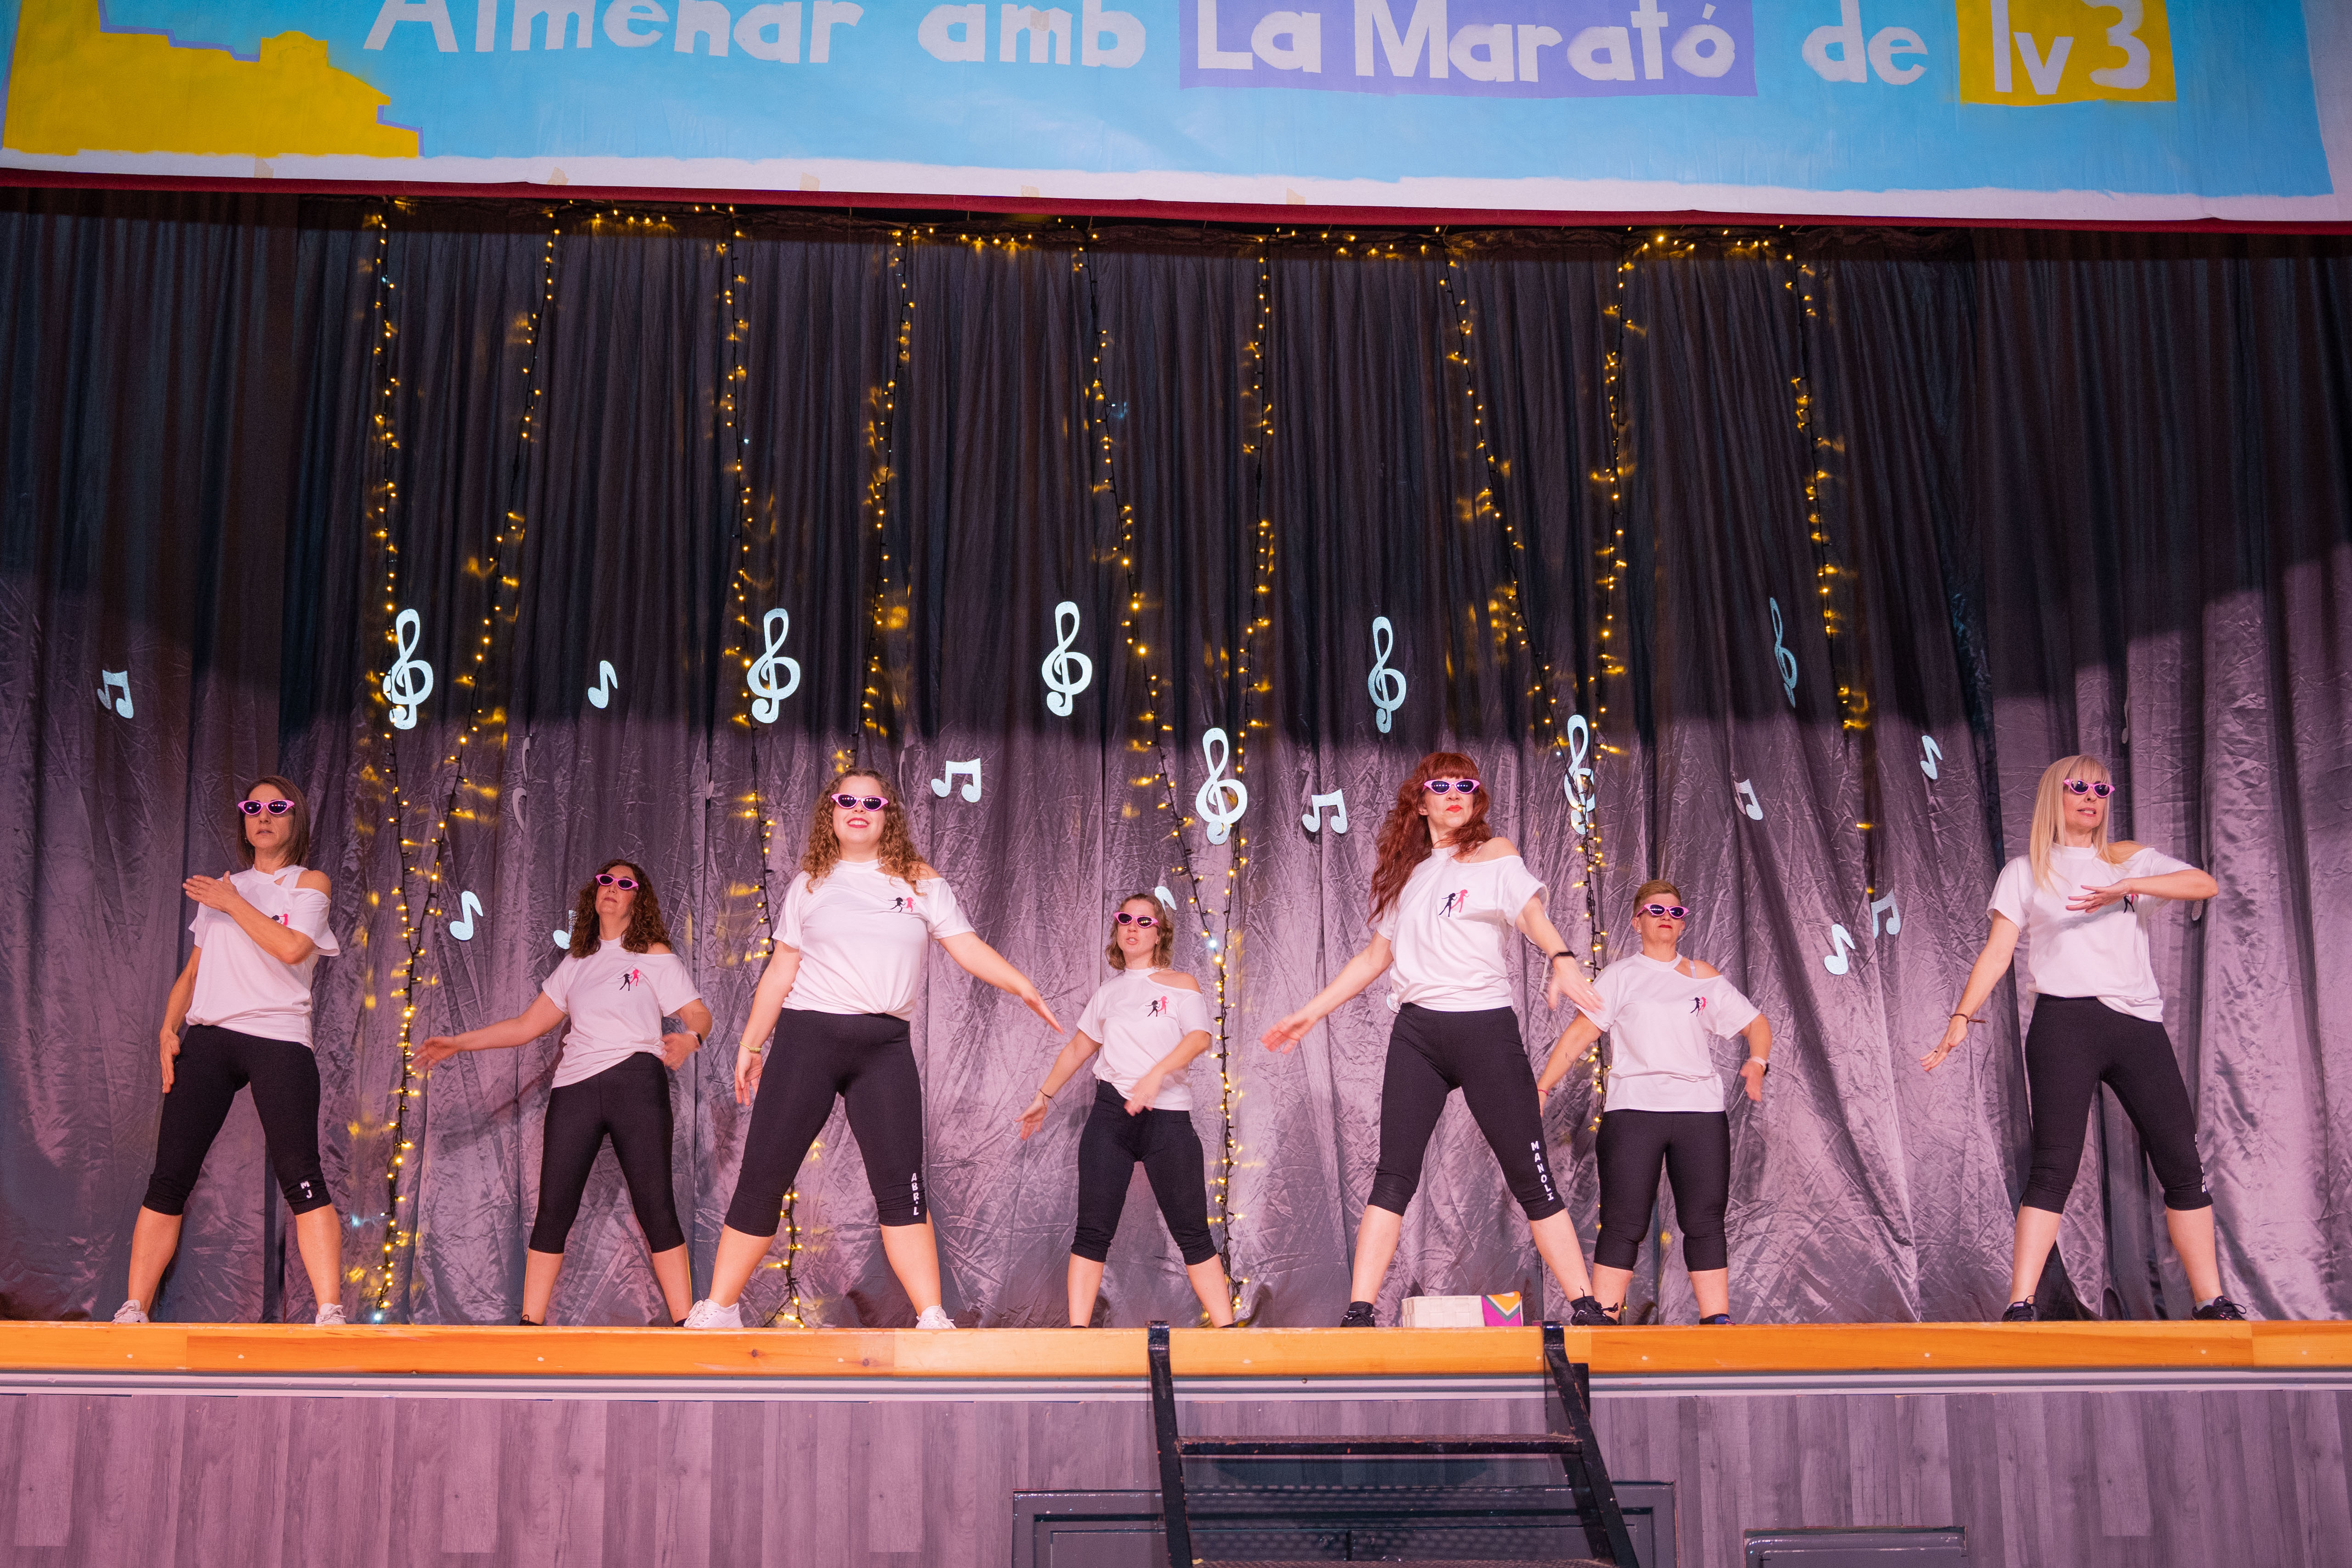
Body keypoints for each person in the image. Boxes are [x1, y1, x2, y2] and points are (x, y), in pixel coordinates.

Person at [686, 769, 1063, 1330]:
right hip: (806, 1041)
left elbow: (966, 946)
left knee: (901, 1186)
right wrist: (750, 1042)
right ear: (831, 812)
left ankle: (932, 1316)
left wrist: (1023, 985)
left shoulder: (920, 882)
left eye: (872, 801)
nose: (858, 808)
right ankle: (719, 1309)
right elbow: (781, 969)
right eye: (847, 799)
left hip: (884, 1049)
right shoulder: (810, 884)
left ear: (888, 814)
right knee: (763, 1175)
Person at [1262, 750, 1612, 1327]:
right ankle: (1359, 1311)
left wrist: (1562, 956)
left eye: (1465, 785)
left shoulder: (1494, 854)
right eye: (1441, 785)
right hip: (1418, 1035)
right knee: (1393, 1174)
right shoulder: (1410, 875)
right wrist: (1309, 1013)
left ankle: (1585, 1305)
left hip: (1484, 1030)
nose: (1454, 793)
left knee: (1531, 1175)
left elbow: (1530, 913)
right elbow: (1374, 958)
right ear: (1420, 802)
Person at [1923, 754, 2245, 1322]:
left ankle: (2210, 1300)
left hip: (2136, 1025)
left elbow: (2204, 884)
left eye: (2101, 788)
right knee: (2054, 1165)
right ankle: (2020, 1302)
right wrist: (1961, 1015)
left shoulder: (2128, 859)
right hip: (2064, 1025)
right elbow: (1998, 952)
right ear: (2056, 794)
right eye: (2079, 786)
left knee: (2181, 1160)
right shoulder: (2026, 870)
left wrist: (2127, 885)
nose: (2091, 796)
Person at [416, 860, 710, 1325]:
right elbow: (526, 1026)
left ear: (638, 899)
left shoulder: (654, 955)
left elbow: (698, 1013)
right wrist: (458, 1043)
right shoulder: (576, 963)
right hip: (574, 1090)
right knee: (554, 1209)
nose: (612, 887)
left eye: (625, 883)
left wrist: (691, 1039)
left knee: (656, 1205)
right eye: (605, 880)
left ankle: (686, 1324)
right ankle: (529, 1325)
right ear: (594, 892)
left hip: (636, 1083)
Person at [117, 777, 347, 1326]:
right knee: (169, 1175)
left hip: (279, 1034)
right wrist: (167, 1028)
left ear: (295, 818)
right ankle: (134, 1308)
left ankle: (330, 1310)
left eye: (276, 806)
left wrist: (231, 902)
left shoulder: (307, 882)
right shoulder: (225, 887)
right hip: (211, 1034)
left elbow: (292, 947)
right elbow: (194, 971)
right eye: (253, 806)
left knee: (301, 1173)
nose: (262, 815)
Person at [1538, 881, 1771, 1324]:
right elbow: (1579, 1034)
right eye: (1656, 910)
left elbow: (1756, 1023)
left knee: (1704, 1220)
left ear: (1683, 924)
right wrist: (1542, 1088)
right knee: (1624, 1220)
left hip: (1700, 1114)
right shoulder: (1621, 975)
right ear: (1636, 921)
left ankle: (1716, 1322)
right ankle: (1604, 1321)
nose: (1667, 917)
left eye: (1676, 912)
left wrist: (1758, 1061)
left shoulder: (1702, 975)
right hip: (1634, 1112)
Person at [1018, 894, 1236, 1327]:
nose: (1133, 926)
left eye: (1144, 921)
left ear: (1160, 933)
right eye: (1125, 919)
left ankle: (1230, 1335)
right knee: (1092, 1232)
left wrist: (1156, 1074)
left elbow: (1199, 1038)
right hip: (1112, 1117)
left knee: (1194, 1234)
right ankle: (1078, 1336)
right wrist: (1043, 1096)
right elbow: (1078, 1048)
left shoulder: (1181, 984)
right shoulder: (1108, 993)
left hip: (1167, 1119)